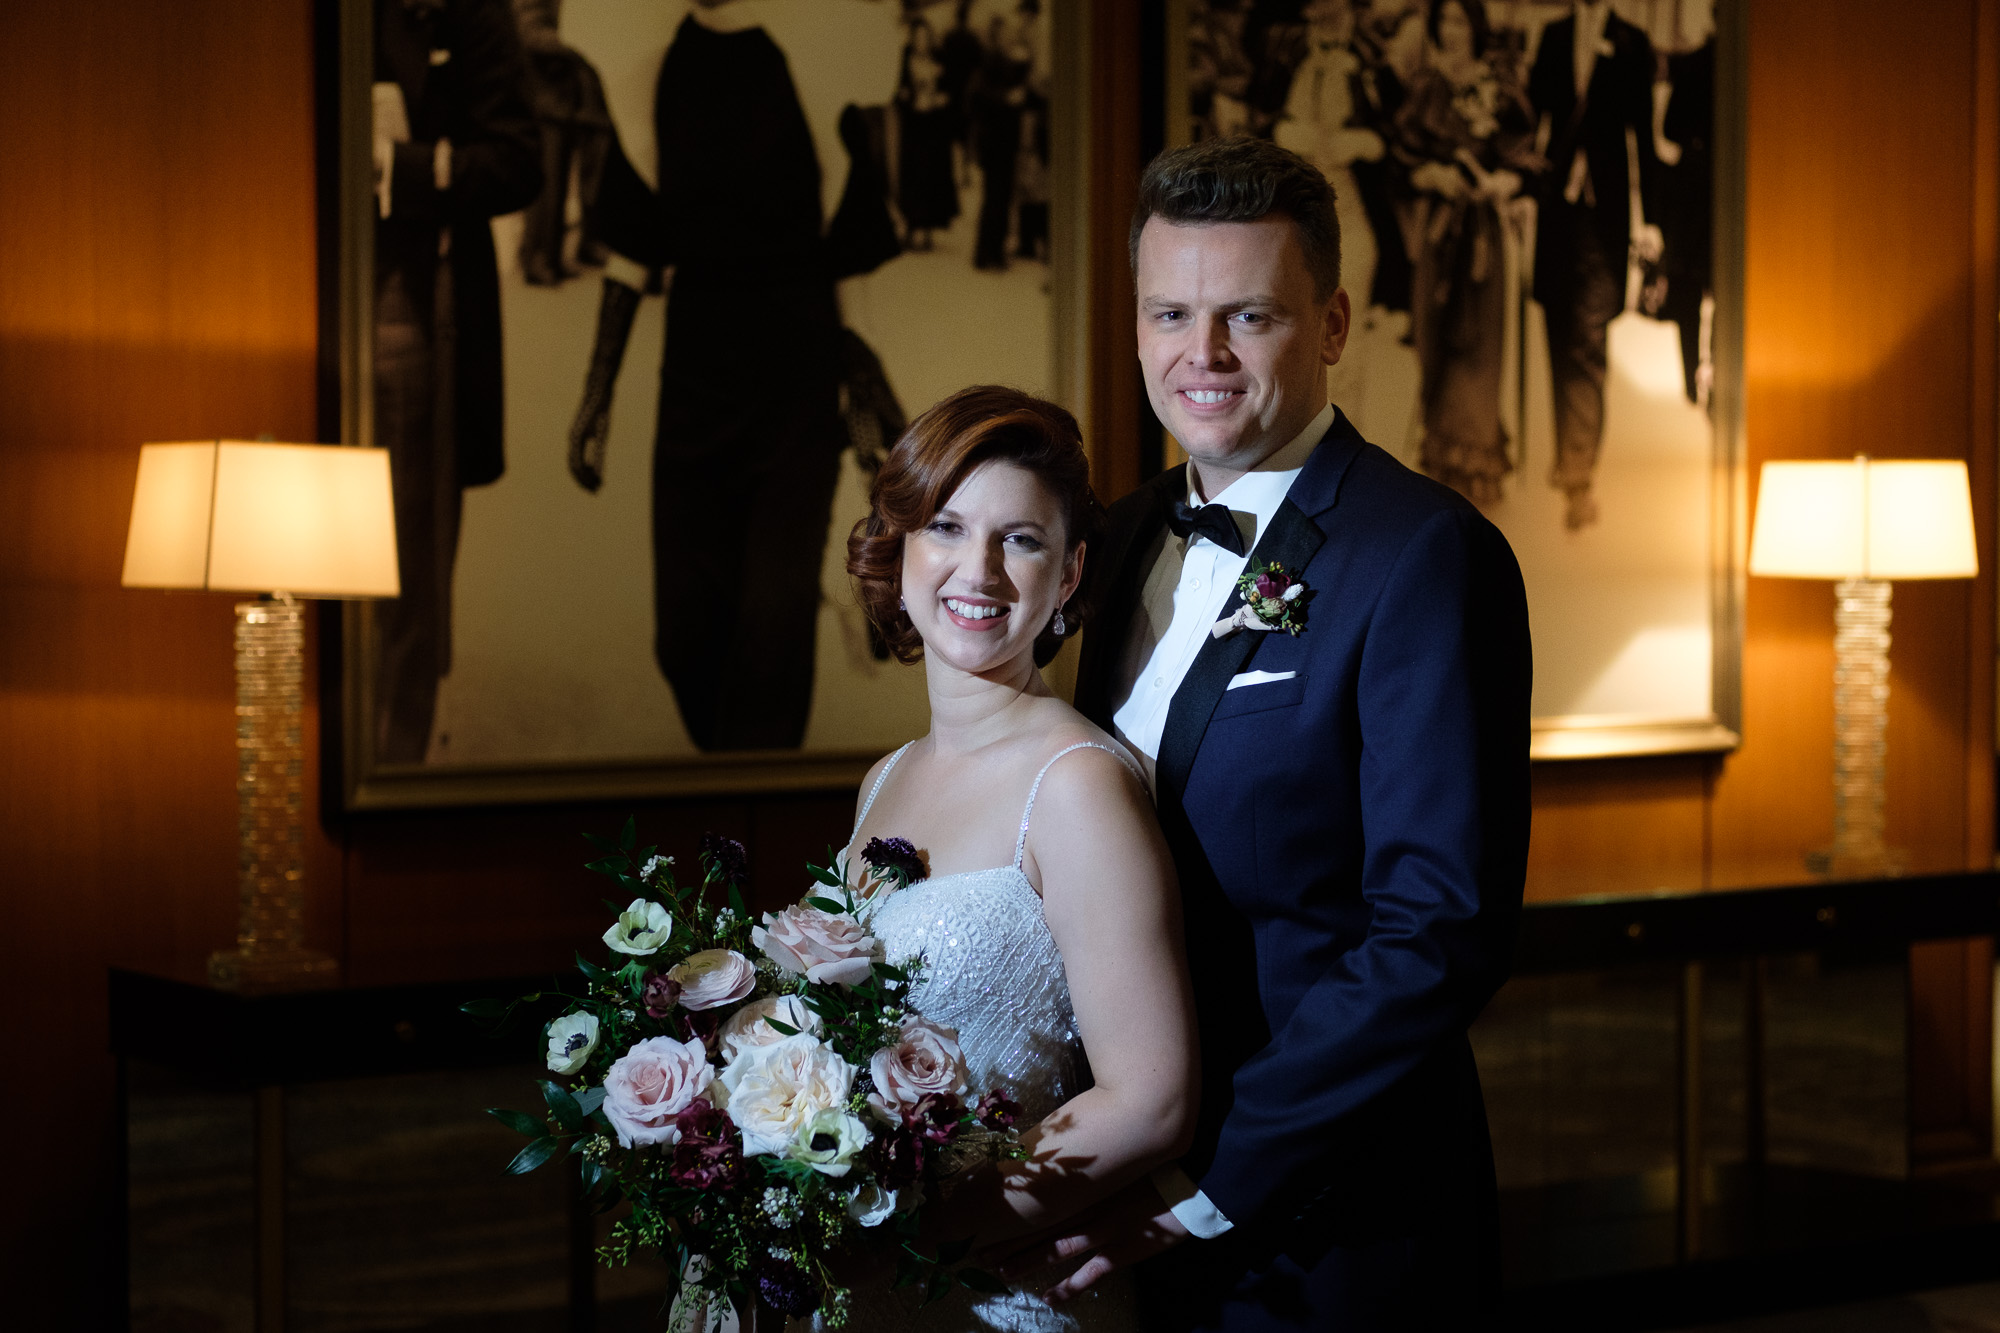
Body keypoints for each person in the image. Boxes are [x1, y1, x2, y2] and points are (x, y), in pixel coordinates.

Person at [1030, 135, 1531, 1330]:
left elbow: (1437, 933)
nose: (1197, 356)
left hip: (1330, 1223)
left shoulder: (1422, 555)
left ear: (1333, 322)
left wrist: (1216, 1183)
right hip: (1113, 1200)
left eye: (1245, 316)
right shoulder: (1116, 533)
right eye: (1168, 313)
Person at [833, 385, 1200, 1330]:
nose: (980, 570)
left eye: (1021, 539)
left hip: (995, 1288)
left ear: (1070, 573)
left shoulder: (1076, 783)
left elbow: (1151, 1100)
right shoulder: (884, 779)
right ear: (903, 544)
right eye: (948, 527)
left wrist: (919, 1239)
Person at [370, 0, 541, 763]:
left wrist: (408, 167)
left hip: (409, 297)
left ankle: (391, 766)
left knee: (403, 561)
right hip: (272, 272)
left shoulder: (466, 7)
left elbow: (517, 158)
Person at [1526, 0, 1662, 530]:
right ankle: (1567, 456)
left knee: (1588, 339)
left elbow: (1642, 139)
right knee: (1560, 333)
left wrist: (1650, 220)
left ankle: (1579, 470)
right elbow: (1531, 114)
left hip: (1604, 217)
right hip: (1556, 211)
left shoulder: (1631, 41)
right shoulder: (1554, 34)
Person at [1396, 0, 1538, 505]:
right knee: (1434, 340)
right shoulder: (1427, 89)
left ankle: (1476, 468)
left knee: (1478, 347)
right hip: (1438, 236)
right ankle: (1437, 465)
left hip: (1483, 241)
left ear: (1476, 28)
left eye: (1460, 21)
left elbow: (1528, 160)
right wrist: (1428, 175)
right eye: (1444, 22)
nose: (1452, 31)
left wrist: (1505, 180)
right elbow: (1401, 156)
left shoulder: (1501, 89)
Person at [897, 16, 961, 252]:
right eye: (918, 37)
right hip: (914, 125)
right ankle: (913, 226)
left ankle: (927, 230)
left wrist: (941, 98)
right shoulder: (905, 60)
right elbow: (898, 89)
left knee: (931, 176)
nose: (922, 42)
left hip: (934, 126)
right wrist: (908, 96)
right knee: (914, 175)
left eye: (925, 37)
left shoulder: (940, 59)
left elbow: (952, 89)